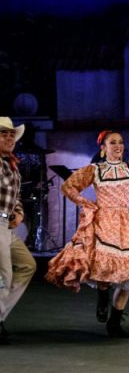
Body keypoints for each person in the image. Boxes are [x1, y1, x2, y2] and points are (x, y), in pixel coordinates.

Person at [45, 109, 129, 338]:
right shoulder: (96, 170)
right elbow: (68, 186)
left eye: (120, 142)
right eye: (113, 142)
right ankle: (102, 297)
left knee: (128, 273)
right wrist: (86, 204)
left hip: (126, 222)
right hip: (103, 221)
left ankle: (115, 321)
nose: (118, 146)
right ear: (104, 148)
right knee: (104, 266)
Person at [0, 117, 36, 345]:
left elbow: (17, 196)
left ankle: (0, 315)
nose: (10, 138)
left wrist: (20, 212)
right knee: (4, 276)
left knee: (27, 265)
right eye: (4, 134)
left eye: (12, 134)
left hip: (6, 224)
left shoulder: (11, 164)